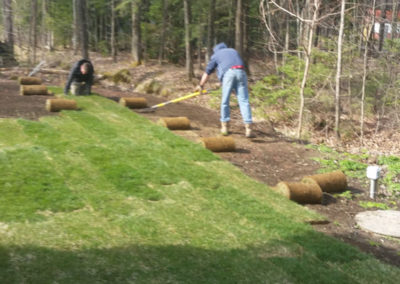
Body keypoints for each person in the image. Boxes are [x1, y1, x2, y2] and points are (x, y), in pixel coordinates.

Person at [197, 42, 254, 138]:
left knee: (225, 101)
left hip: (229, 74)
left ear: (216, 50)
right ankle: (248, 128)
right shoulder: (233, 51)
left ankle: (225, 127)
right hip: (242, 73)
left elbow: (207, 72)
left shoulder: (216, 55)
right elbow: (233, 66)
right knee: (244, 101)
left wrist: (201, 85)